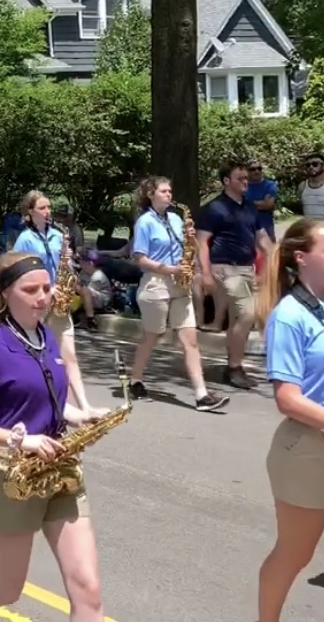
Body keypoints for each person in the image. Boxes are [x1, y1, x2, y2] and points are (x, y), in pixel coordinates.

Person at [0, 251, 105, 621]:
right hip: (12, 475)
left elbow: (52, 403)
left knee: (88, 589)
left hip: (60, 471)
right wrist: (20, 440)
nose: (43, 297)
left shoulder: (45, 337)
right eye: (31, 289)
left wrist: (80, 415)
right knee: (8, 588)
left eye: (47, 288)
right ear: (6, 293)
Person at [254, 218, 324, 620]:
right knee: (294, 554)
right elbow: (288, 399)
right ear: (302, 258)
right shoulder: (289, 316)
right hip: (307, 451)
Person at [127, 176, 229, 411]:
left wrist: (191, 237)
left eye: (170, 191)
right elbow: (139, 258)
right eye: (163, 191)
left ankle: (201, 394)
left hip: (179, 284)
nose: (169, 195)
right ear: (150, 194)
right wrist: (169, 268)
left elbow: (190, 247)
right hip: (156, 284)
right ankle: (136, 379)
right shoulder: (145, 222)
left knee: (190, 341)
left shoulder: (175, 218)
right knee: (153, 336)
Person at [13, 190, 104, 417]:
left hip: (59, 299)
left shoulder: (57, 234)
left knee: (69, 355)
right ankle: (40, 403)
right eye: (42, 208)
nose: (48, 212)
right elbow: (19, 271)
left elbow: (64, 266)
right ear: (30, 212)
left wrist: (68, 264)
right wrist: (44, 288)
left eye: (49, 207)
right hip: (38, 301)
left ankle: (85, 406)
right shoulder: (25, 238)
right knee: (37, 356)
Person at [196, 161, 273, 390]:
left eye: (246, 178)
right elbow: (201, 242)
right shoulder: (214, 208)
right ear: (226, 181)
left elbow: (263, 239)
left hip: (248, 269)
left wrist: (274, 260)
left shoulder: (250, 207)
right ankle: (234, 367)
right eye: (240, 178)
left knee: (243, 318)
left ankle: (233, 364)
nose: (245, 181)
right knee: (247, 314)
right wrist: (207, 274)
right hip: (225, 270)